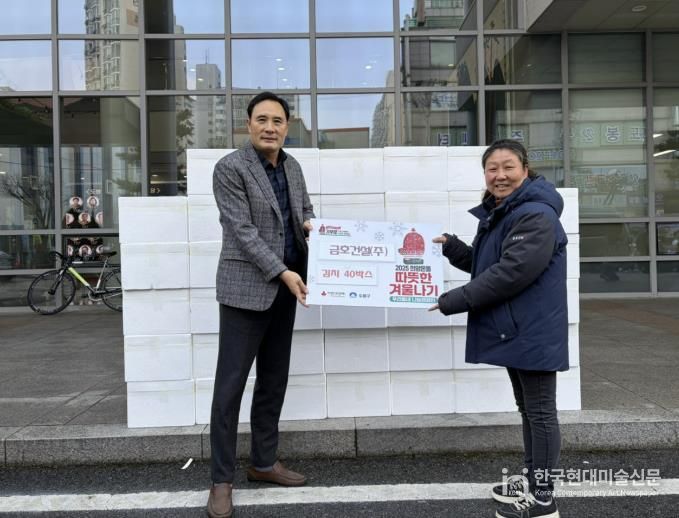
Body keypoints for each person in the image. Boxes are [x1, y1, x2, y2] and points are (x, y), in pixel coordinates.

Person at [430, 139, 568, 518]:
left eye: (508, 167)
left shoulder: (535, 215)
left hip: (533, 330)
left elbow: (511, 273)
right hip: (518, 327)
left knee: (540, 412)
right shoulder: (506, 211)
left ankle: (543, 500)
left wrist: (452, 301)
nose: (500, 175)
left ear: (525, 169)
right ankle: (533, 481)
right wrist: (452, 247)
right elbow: (488, 264)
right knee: (529, 409)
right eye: (492, 168)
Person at [207, 91, 315, 518]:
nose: (270, 127)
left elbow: (304, 212)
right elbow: (243, 232)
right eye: (262, 119)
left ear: (287, 126)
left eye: (278, 121)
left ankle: (264, 462)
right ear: (248, 124)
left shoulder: (293, 166)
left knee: (273, 380)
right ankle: (221, 480)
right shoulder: (230, 168)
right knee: (229, 387)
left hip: (287, 290)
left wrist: (316, 231)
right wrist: (283, 272)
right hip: (245, 290)